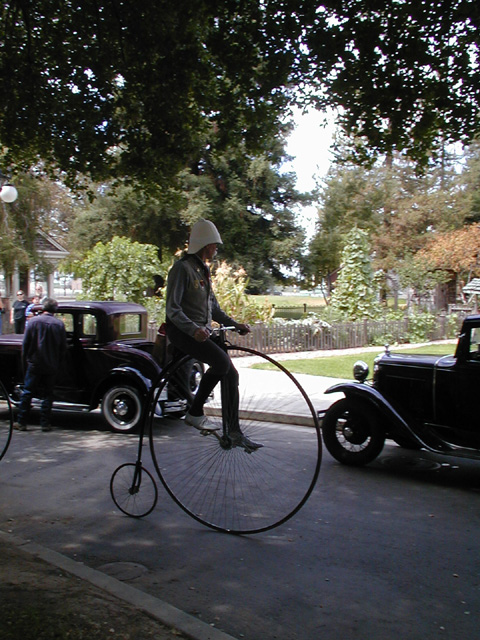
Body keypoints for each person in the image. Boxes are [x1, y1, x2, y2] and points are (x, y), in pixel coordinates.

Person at [166, 219, 262, 451]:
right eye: (214, 245)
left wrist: (234, 324)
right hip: (182, 332)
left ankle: (234, 431)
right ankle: (195, 412)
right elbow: (173, 309)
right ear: (204, 244)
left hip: (201, 332)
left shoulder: (202, 270)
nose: (216, 249)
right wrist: (193, 330)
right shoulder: (182, 269)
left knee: (231, 374)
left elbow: (214, 308)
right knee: (221, 362)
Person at [13, 298, 67, 433]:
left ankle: (22, 421)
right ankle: (45, 423)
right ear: (55, 310)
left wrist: (25, 360)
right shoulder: (59, 325)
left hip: (35, 363)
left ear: (43, 308)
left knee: (28, 392)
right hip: (51, 364)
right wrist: (58, 363)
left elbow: (25, 344)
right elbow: (62, 347)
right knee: (48, 394)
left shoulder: (33, 322)